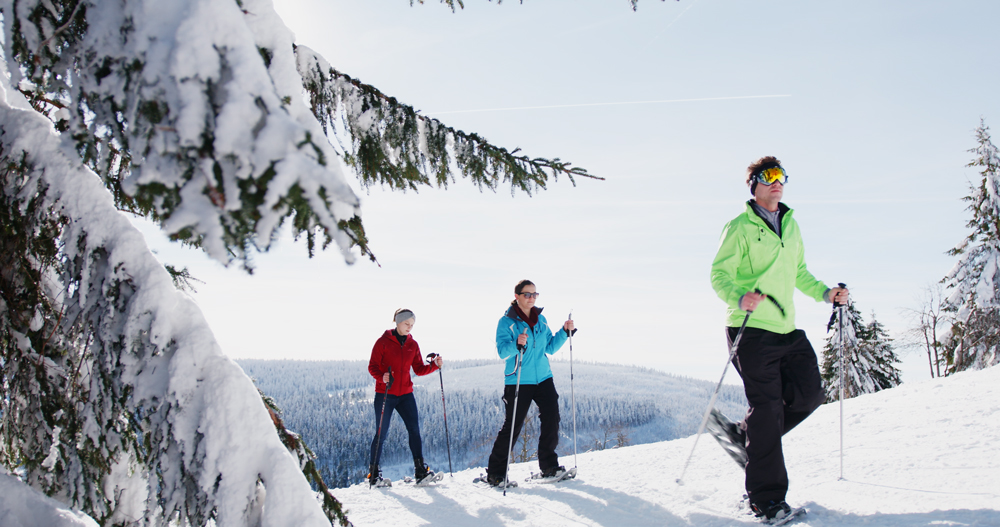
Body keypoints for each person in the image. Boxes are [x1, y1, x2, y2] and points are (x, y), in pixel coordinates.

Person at [709, 156, 848, 520]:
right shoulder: (739, 226)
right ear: (753, 183)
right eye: (769, 176)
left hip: (787, 328)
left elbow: (799, 272)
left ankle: (745, 436)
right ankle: (766, 500)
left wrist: (825, 293)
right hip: (750, 328)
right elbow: (719, 274)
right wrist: (739, 296)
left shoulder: (792, 224)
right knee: (768, 408)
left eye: (781, 176)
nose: (777, 182)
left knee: (810, 393)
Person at [484, 279, 575, 487]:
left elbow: (550, 347)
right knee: (513, 426)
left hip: (543, 377)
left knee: (552, 418)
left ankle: (549, 466)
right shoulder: (506, 322)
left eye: (535, 294)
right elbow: (502, 352)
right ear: (517, 296)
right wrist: (516, 345)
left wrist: (564, 331)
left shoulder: (541, 320)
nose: (532, 298)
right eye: (527, 294)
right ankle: (496, 473)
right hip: (518, 379)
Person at [367, 308, 443, 487]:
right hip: (385, 394)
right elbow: (372, 366)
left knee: (414, 430)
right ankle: (374, 474)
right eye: (407, 323)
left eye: (412, 325)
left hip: (406, 395)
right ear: (397, 322)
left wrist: (434, 366)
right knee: (381, 433)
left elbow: (418, 369)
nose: (410, 327)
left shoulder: (412, 344)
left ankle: (420, 471)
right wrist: (382, 377)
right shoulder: (383, 342)